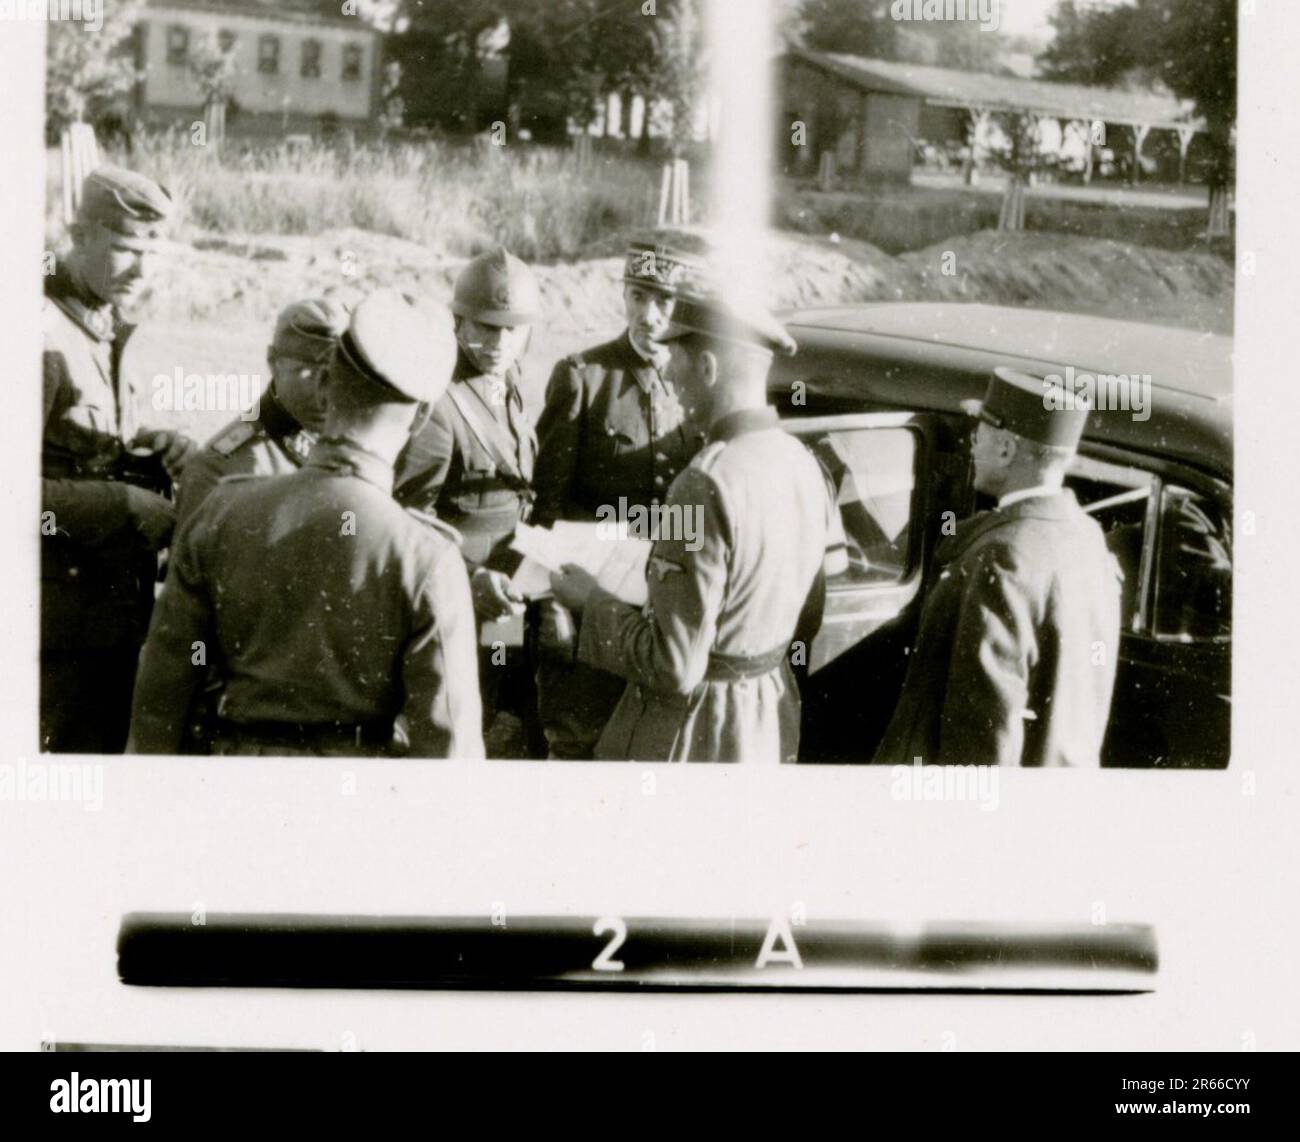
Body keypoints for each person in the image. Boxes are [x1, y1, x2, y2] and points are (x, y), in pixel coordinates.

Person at [127, 290, 484, 758]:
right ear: (419, 417)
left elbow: (159, 705)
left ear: (328, 384)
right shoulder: (427, 558)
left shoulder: (222, 511)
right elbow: (451, 750)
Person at [549, 288, 834, 763]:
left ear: (707, 367)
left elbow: (673, 664)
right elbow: (809, 614)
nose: (667, 374)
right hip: (765, 716)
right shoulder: (804, 463)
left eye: (674, 358)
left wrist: (589, 602)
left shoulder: (704, 482)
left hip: (693, 732)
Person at [873, 367, 1122, 767]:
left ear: (1006, 448)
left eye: (981, 431)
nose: (973, 442)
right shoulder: (1089, 539)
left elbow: (984, 735)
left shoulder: (1002, 558)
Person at [530, 232, 710, 758]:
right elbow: (546, 506)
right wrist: (551, 608)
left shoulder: (696, 383)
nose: (649, 316)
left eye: (663, 301)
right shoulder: (583, 377)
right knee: (581, 740)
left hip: (666, 607)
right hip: (593, 598)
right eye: (637, 296)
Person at [41, 165, 197, 753]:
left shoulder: (106, 323)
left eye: (155, 255)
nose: (143, 271)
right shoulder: (37, 334)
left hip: (108, 617)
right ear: (79, 235)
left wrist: (156, 444)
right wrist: (120, 504)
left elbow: (88, 441)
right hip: (47, 633)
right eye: (127, 250)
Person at [393, 247, 542, 749]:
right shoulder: (439, 402)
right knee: (456, 721)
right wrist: (471, 577)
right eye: (487, 327)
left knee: (499, 712)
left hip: (508, 595)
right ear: (458, 323)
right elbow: (410, 521)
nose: (500, 343)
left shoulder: (509, 383)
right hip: (460, 596)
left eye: (512, 330)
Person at [175, 297, 350, 525]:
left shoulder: (349, 443)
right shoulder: (220, 469)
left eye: (335, 375)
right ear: (273, 362)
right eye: (306, 372)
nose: (323, 391)